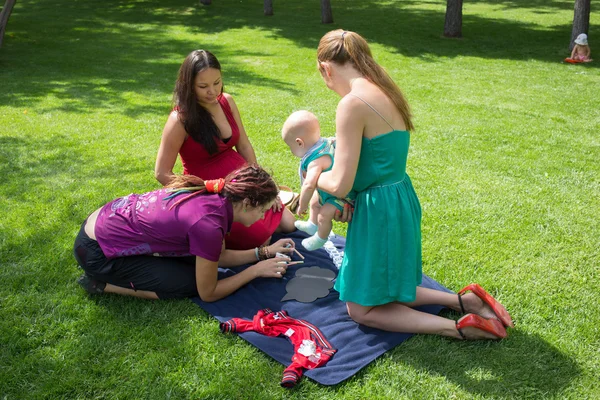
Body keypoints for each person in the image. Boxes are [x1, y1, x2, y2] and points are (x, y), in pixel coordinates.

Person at [313, 29, 514, 340]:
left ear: (326, 69)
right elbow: (377, 159)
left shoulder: (352, 102)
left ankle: (459, 329)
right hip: (398, 198)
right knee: (389, 287)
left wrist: (311, 177)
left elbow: (339, 183)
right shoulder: (386, 89)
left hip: (378, 210)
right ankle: (465, 301)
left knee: (360, 309)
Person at [74, 165, 299, 301]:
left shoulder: (217, 197)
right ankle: (103, 285)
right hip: (97, 253)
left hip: (101, 225)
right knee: (190, 283)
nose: (263, 217)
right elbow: (208, 293)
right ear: (247, 203)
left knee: (200, 266)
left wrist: (265, 252)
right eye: (264, 210)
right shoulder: (208, 224)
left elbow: (218, 256)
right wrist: (255, 271)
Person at [155, 49, 296, 250]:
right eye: (203, 86)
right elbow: (161, 173)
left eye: (217, 82)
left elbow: (244, 145)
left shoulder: (227, 101)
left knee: (289, 225)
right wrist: (204, 190)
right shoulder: (180, 120)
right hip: (214, 196)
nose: (213, 91)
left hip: (243, 184)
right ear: (188, 85)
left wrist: (261, 183)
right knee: (259, 238)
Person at [281, 110, 354, 251]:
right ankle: (312, 224)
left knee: (324, 214)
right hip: (329, 191)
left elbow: (309, 184)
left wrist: (302, 206)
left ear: (299, 143)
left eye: (291, 147)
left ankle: (320, 237)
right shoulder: (324, 143)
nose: (291, 151)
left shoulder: (315, 160)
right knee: (315, 201)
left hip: (343, 197)